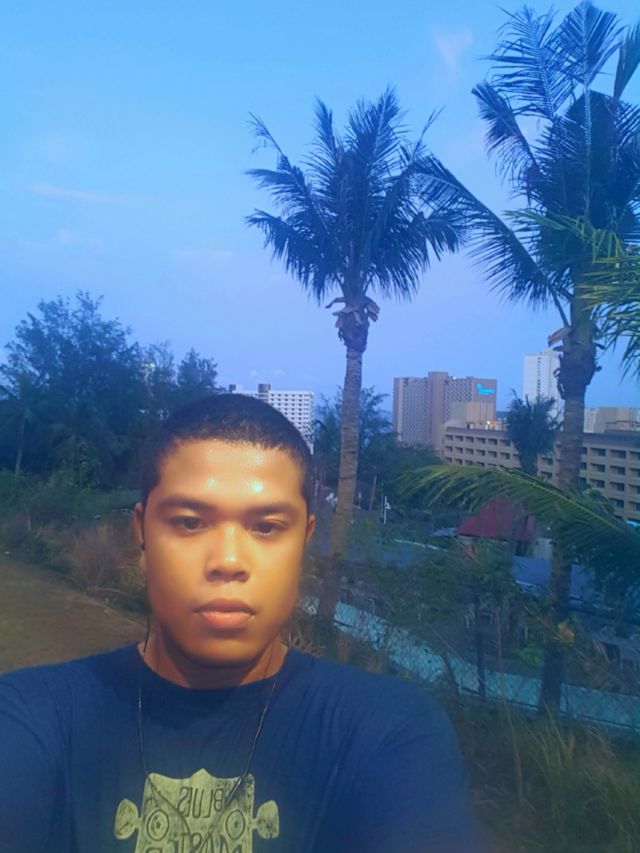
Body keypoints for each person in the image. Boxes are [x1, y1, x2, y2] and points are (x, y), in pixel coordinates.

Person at [0, 394, 487, 852]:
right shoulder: (30, 717)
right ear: (142, 531)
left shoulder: (389, 732)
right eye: (189, 522)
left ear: (304, 539)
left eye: (266, 527)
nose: (228, 561)